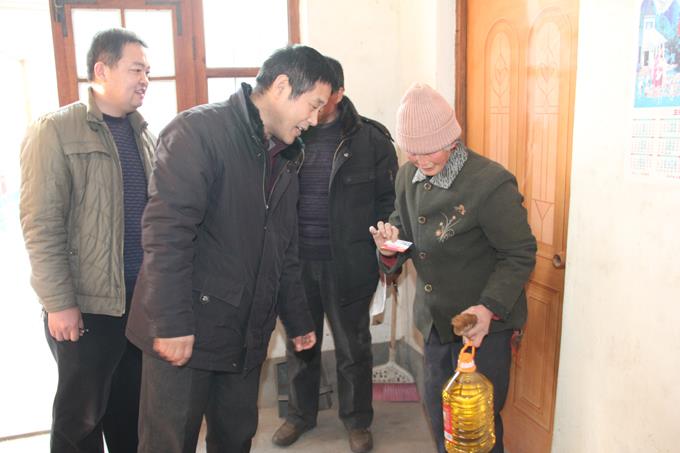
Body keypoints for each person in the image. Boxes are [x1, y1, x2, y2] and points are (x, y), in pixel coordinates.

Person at [125, 45, 334, 453]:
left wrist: (298, 319)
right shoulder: (198, 133)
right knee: (169, 443)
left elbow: (285, 248)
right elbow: (166, 234)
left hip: (246, 331)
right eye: (313, 106)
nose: (313, 120)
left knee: (236, 439)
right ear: (282, 86)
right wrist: (171, 323)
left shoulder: (287, 155)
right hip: (186, 328)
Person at [369, 83, 537, 453]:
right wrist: (389, 246)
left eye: (431, 149)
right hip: (435, 324)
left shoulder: (489, 183)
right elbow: (404, 231)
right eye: (412, 151)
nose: (422, 160)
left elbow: (519, 253)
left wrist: (488, 308)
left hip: (483, 326)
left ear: (452, 138)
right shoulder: (407, 177)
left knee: (476, 424)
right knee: (440, 413)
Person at [19, 28, 154, 453]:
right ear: (102, 70)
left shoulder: (143, 133)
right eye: (136, 69)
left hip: (137, 302)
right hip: (87, 304)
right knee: (79, 422)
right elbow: (41, 224)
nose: (145, 80)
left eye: (148, 72)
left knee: (131, 414)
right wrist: (59, 302)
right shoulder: (56, 130)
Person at [272, 57, 398, 453]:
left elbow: (389, 204)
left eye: (323, 95)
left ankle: (357, 420)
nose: (314, 103)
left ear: (339, 93)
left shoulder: (371, 141)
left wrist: (387, 253)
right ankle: (300, 415)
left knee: (353, 347)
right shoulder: (291, 134)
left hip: (348, 263)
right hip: (297, 262)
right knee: (300, 342)